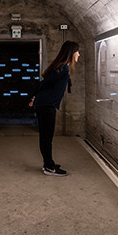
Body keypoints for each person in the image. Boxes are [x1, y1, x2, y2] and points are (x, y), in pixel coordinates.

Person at [29, 41, 80, 176]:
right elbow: (45, 83)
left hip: (45, 103)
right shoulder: (62, 68)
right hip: (46, 105)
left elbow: (52, 84)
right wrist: (34, 96)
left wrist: (35, 97)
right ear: (71, 52)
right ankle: (49, 167)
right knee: (46, 137)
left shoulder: (63, 67)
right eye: (77, 51)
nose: (79, 54)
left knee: (46, 136)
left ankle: (48, 163)